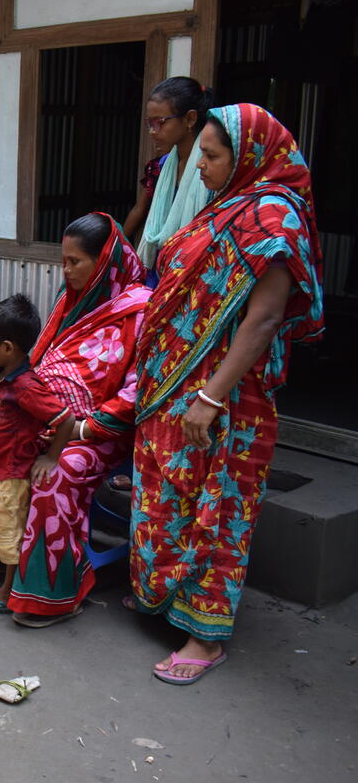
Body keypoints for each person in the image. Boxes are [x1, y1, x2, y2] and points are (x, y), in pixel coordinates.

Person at [130, 104, 323, 684]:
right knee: (168, 501)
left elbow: (262, 320)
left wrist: (210, 399)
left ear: (250, 156)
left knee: (215, 509)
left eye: (212, 157)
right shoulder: (229, 208)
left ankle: (204, 638)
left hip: (223, 402)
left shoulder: (272, 217)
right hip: (171, 391)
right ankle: (165, 598)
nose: (203, 167)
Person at [0, 214, 152, 627]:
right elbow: (35, 367)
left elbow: (137, 392)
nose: (66, 270)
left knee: (52, 476)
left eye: (76, 262)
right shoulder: (69, 303)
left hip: (96, 435)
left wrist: (83, 428)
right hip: (42, 419)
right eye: (63, 260)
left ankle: (48, 594)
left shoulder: (140, 313)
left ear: (105, 263)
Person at [0, 294, 75, 615]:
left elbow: (65, 419)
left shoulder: (25, 386)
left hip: (11, 475)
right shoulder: (1, 376)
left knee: (10, 534)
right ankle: (2, 575)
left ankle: (7, 592)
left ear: (7, 348)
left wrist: (51, 457)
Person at [122, 77, 213, 275]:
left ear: (190, 119)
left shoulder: (212, 169)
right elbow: (141, 209)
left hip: (193, 272)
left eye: (160, 123)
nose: (153, 132)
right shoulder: (160, 168)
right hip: (159, 269)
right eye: (149, 123)